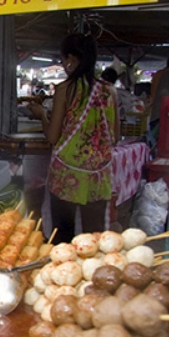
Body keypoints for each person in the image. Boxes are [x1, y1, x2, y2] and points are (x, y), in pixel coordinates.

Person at [28, 33, 120, 243]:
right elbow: (114, 137)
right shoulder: (110, 91)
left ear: (70, 58)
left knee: (63, 236)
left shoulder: (65, 89)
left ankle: (63, 272)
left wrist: (42, 114)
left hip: (67, 176)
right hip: (98, 176)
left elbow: (53, 137)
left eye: (63, 60)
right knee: (95, 239)